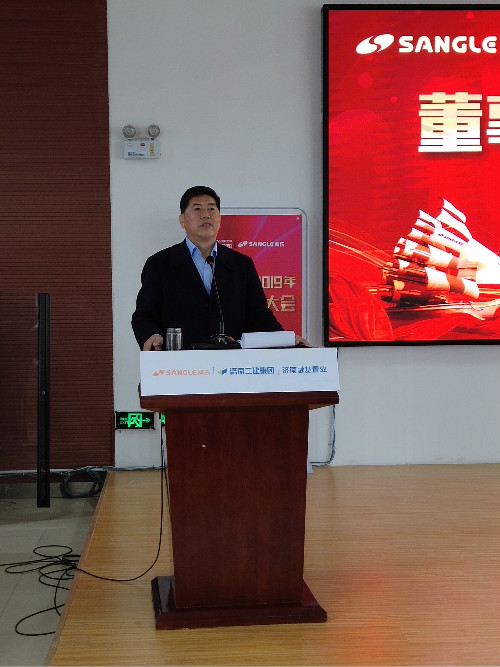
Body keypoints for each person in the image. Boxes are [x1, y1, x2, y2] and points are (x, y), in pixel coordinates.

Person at [132, 185, 289, 351]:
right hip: (180, 361)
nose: (205, 215)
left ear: (219, 218)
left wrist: (286, 339)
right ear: (182, 220)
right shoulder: (160, 263)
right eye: (197, 209)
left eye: (211, 209)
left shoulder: (241, 264)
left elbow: (259, 314)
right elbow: (145, 314)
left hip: (231, 360)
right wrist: (151, 335)